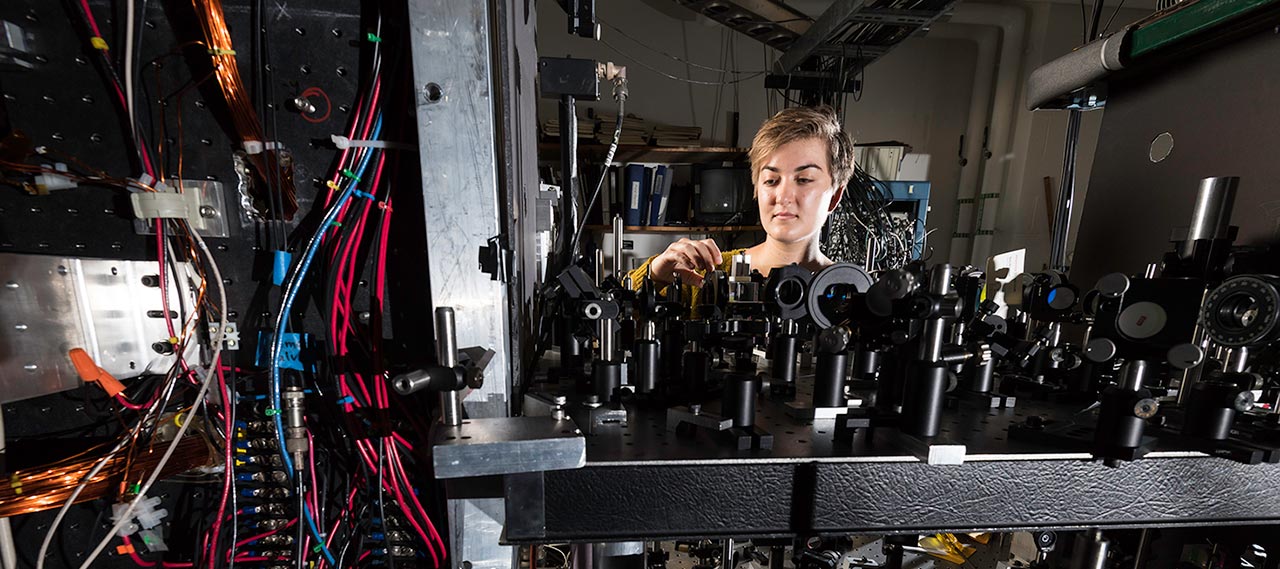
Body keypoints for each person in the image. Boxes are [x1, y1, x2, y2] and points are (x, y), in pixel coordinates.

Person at [627, 105, 854, 302]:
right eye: (771, 180)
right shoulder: (705, 275)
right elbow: (616, 317)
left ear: (834, 196)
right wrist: (654, 276)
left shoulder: (851, 293)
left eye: (803, 180)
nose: (782, 196)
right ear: (757, 189)